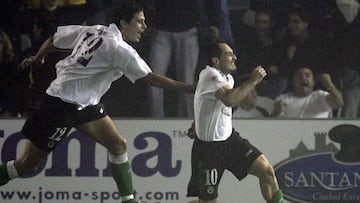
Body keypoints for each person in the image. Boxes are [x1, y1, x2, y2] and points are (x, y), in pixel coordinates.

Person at [0, 1, 193, 203]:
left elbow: (54, 38)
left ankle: (129, 201)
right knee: (26, 166)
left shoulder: (93, 30)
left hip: (85, 104)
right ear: (124, 23)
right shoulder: (119, 49)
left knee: (118, 144)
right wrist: (188, 88)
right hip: (60, 104)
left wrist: (38, 58)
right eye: (140, 21)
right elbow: (150, 79)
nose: (144, 27)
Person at [186, 41, 283, 203]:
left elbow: (204, 101)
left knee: (266, 171)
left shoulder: (228, 79)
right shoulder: (209, 74)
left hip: (230, 141)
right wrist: (253, 81)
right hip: (209, 150)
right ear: (216, 60)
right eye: (228, 54)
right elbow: (230, 100)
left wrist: (197, 123)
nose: (234, 57)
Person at [148, 0, 200, 118]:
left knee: (187, 82)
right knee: (154, 80)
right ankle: (156, 122)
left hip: (188, 29)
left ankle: (187, 124)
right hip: (161, 28)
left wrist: (213, 21)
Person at [272, 66, 344, 118]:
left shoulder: (321, 96)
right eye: (299, 76)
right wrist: (276, 113)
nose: (303, 78)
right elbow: (270, 125)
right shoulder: (282, 98)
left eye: (307, 75)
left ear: (313, 82)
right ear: (293, 82)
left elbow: (339, 103)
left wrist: (330, 84)